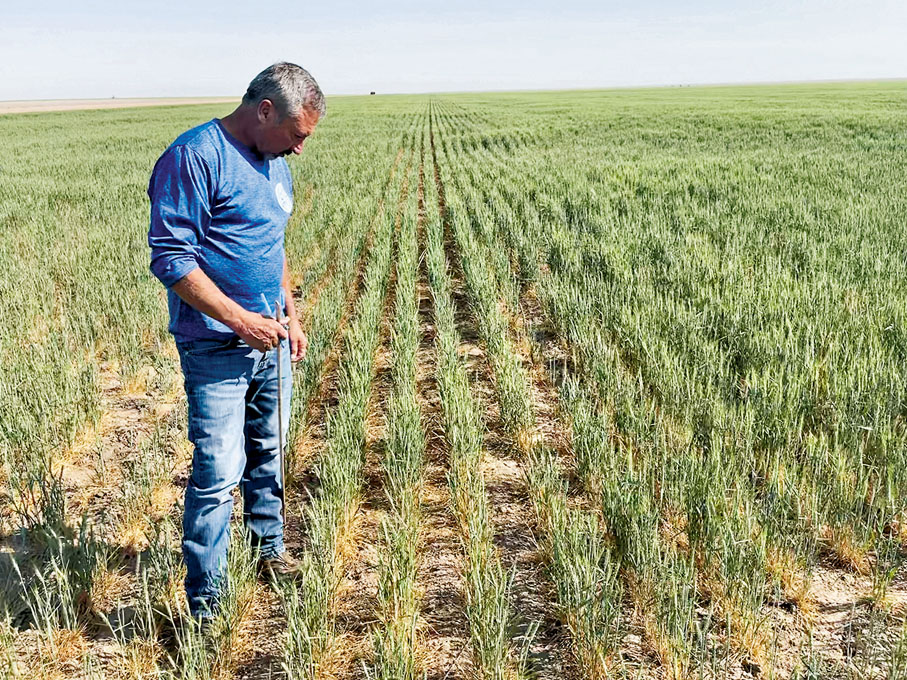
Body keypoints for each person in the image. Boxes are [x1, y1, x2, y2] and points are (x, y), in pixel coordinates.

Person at [147, 62, 325, 620]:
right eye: (297, 134)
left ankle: (268, 550)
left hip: (270, 339)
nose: (299, 149)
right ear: (265, 110)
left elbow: (271, 246)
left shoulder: (275, 163)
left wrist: (288, 315)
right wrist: (238, 320)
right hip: (214, 347)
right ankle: (207, 602)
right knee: (218, 472)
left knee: (269, 452)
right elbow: (172, 259)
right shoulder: (196, 157)